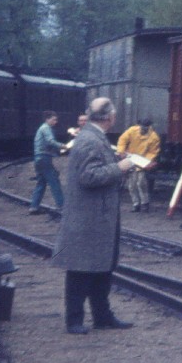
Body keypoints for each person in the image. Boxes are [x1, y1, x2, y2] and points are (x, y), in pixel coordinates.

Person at [52, 97, 136, 334]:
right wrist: (120, 167)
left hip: (96, 217)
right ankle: (74, 320)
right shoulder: (90, 140)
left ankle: (102, 316)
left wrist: (117, 163)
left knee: (101, 268)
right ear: (110, 118)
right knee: (80, 270)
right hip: (88, 218)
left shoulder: (92, 137)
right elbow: (88, 177)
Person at [116, 117, 161, 211]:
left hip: (142, 162)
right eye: (142, 127)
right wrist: (121, 152)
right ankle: (136, 204)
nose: (143, 129)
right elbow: (122, 140)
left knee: (141, 183)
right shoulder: (132, 130)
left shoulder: (154, 137)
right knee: (131, 185)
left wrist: (145, 161)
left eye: (146, 127)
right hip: (130, 159)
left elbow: (153, 152)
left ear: (150, 127)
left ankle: (145, 203)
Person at [28, 111, 65, 213]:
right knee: (54, 181)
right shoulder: (46, 128)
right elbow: (50, 141)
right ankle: (62, 206)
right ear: (47, 119)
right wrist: (63, 146)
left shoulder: (42, 128)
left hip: (38, 159)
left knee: (41, 183)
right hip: (44, 158)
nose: (55, 122)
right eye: (54, 119)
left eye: (56, 120)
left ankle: (34, 206)